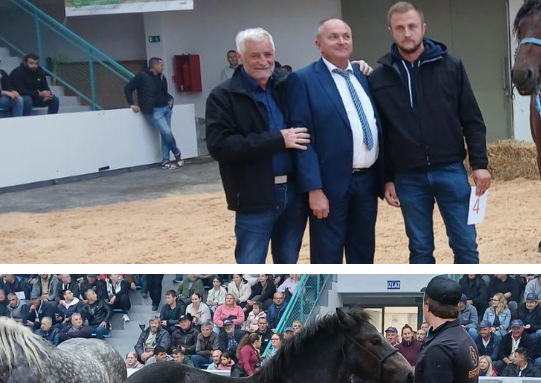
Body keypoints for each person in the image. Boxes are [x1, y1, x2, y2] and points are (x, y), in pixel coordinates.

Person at [372, 2, 490, 264]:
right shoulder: (380, 77)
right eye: (400, 28)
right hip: (408, 177)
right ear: (390, 31)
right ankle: (428, 301)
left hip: (451, 170)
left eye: (412, 26)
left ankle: (461, 301)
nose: (407, 33)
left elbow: (472, 119)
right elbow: (382, 134)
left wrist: (480, 164)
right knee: (420, 249)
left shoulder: (452, 66)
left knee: (466, 245)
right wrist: (387, 178)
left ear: (423, 28)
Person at [206, 28, 309, 263]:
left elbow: (322, 80)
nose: (263, 61)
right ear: (240, 58)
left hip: (294, 193)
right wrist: (277, 139)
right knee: (250, 265)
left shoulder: (288, 85)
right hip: (254, 195)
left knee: (288, 263)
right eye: (255, 56)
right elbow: (219, 145)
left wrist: (354, 67)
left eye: (268, 54)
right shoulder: (222, 96)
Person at [289, 18, 381, 264]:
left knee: (363, 253)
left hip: (367, 182)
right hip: (328, 186)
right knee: (327, 256)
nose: (341, 41)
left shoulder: (364, 76)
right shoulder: (304, 80)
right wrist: (314, 189)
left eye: (346, 36)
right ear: (319, 44)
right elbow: (302, 139)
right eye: (333, 37)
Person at [125, 57, 182, 168]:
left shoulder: (161, 77)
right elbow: (128, 88)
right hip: (154, 110)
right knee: (166, 132)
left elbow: (164, 92)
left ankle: (166, 160)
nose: (163, 67)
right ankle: (176, 152)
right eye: (161, 65)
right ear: (155, 66)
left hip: (166, 108)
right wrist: (131, 103)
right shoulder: (142, 77)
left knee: (165, 134)